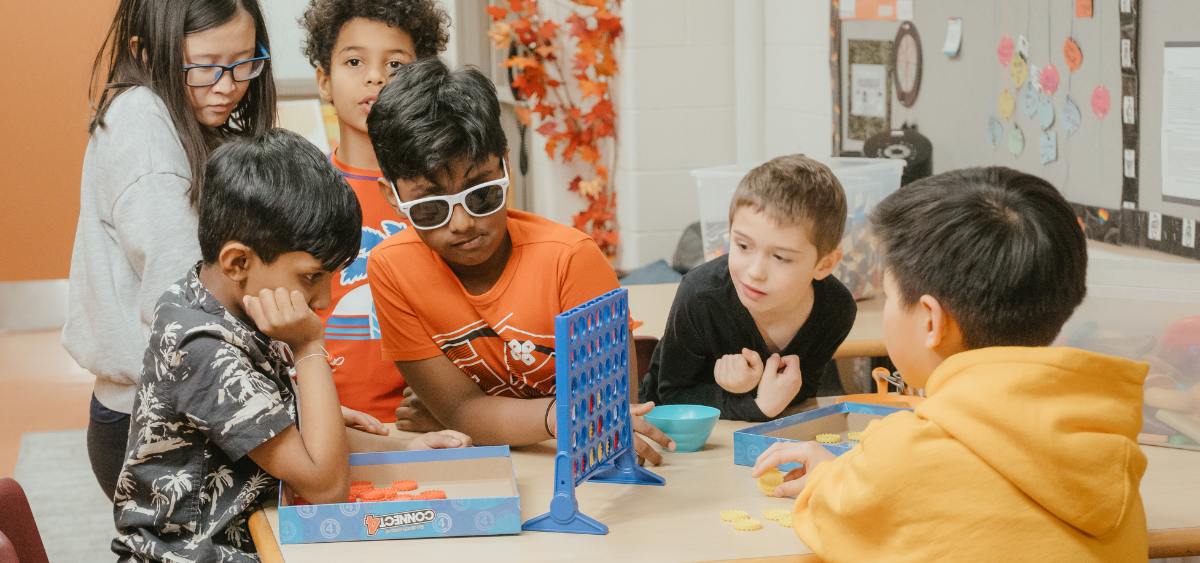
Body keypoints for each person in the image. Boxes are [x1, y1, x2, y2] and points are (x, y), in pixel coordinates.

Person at [751, 167, 1150, 561]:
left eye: (889, 296)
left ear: (931, 321)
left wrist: (827, 477)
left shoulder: (902, 455)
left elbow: (836, 513)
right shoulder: (1105, 442)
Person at [111, 130, 469, 562]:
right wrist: (309, 345)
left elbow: (290, 435)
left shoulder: (229, 301)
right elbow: (325, 487)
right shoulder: (202, 347)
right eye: (311, 277)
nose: (325, 300)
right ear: (238, 262)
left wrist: (403, 450)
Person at [366, 57, 675, 462]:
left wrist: (485, 421)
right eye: (430, 208)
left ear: (506, 166)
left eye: (481, 195)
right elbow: (461, 410)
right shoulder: (392, 268)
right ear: (393, 198)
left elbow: (608, 417)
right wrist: (562, 416)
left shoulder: (570, 260)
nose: (462, 223)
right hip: (496, 468)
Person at [63, 0, 277, 500]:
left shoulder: (167, 114)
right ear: (145, 50)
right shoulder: (146, 129)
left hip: (183, 403)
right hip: (156, 423)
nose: (228, 85)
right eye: (205, 66)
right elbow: (185, 308)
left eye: (244, 62)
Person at [298, 0, 450, 423]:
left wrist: (451, 404)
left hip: (424, 423)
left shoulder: (443, 196)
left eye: (395, 64)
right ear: (324, 80)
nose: (376, 77)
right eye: (354, 62)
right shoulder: (300, 192)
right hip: (324, 420)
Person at [640, 155, 857, 421]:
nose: (755, 272)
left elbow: (800, 388)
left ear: (824, 264)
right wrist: (753, 402)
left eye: (780, 257)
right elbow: (672, 394)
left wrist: (756, 396)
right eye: (743, 246)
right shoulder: (699, 296)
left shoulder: (837, 309)